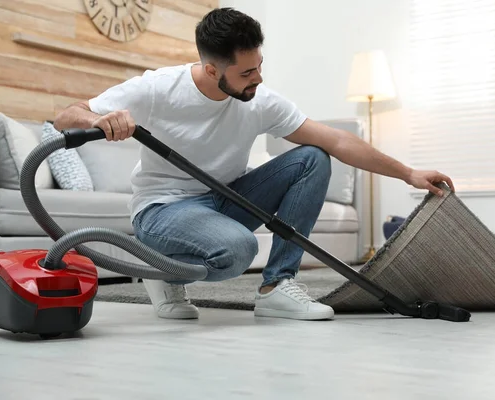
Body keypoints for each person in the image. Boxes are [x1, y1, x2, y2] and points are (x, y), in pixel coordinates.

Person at [53, 7, 454, 321]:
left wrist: (409, 173)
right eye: (247, 72)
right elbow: (65, 116)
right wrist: (97, 120)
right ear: (212, 69)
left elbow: (335, 139)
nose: (258, 78)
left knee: (313, 158)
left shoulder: (259, 99)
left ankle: (277, 287)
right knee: (239, 249)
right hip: (163, 210)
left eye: (259, 66)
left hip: (226, 199)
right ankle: (165, 272)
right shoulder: (158, 89)